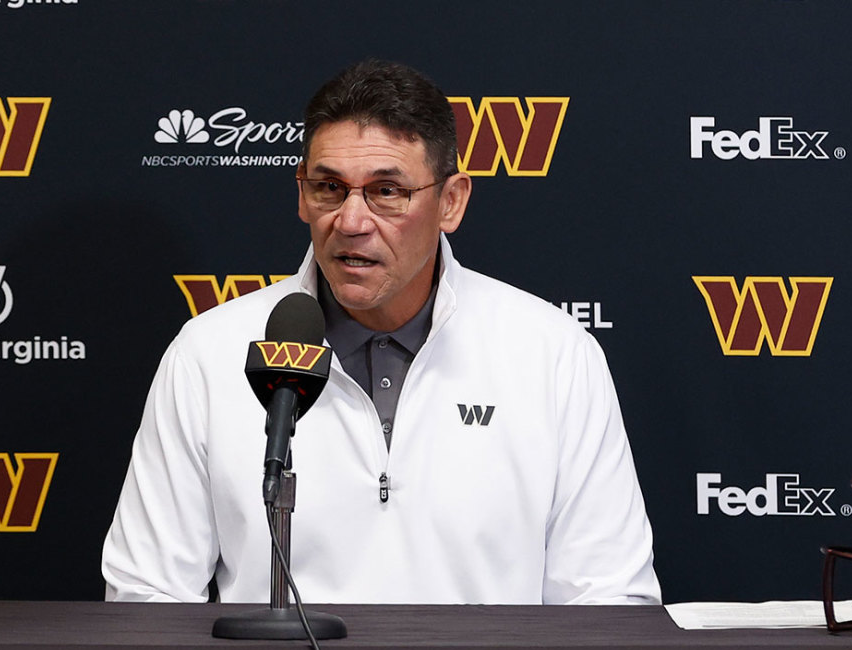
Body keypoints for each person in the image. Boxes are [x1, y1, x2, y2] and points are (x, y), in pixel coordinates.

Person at [102, 59, 662, 605]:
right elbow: (147, 595)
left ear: (450, 201)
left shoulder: (554, 354)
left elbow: (607, 600)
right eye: (328, 187)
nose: (350, 221)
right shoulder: (208, 354)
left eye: (387, 191)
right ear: (301, 196)